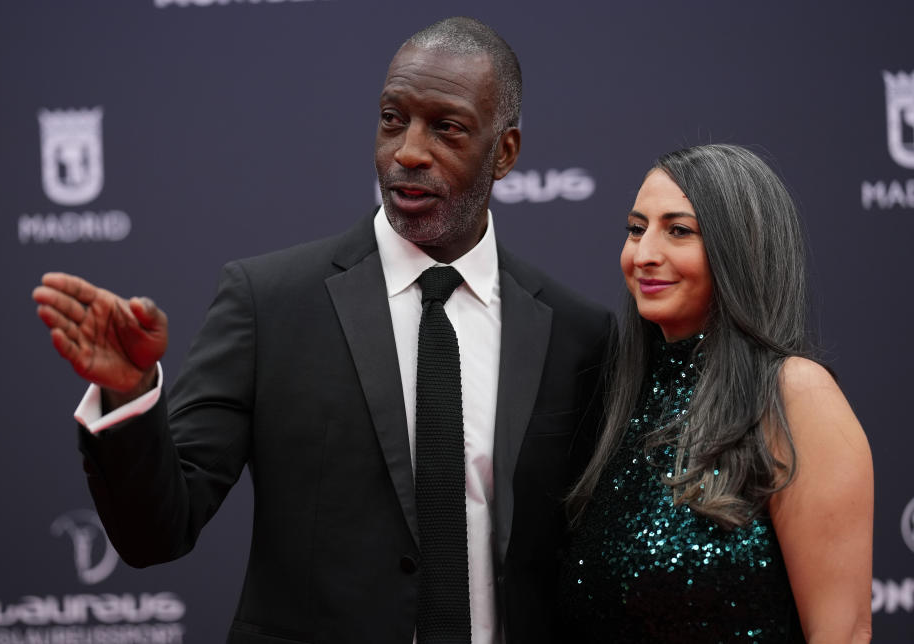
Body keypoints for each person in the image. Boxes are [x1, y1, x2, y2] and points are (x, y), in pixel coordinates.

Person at [32, 17, 614, 644]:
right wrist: (129, 396)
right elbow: (155, 535)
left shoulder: (576, 333)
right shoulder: (269, 303)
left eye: (445, 127)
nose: (408, 152)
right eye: (394, 119)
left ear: (504, 153)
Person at [559, 144, 873, 643]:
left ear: (740, 248)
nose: (644, 255)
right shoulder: (620, 400)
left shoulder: (793, 393)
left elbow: (843, 632)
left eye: (678, 230)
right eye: (636, 229)